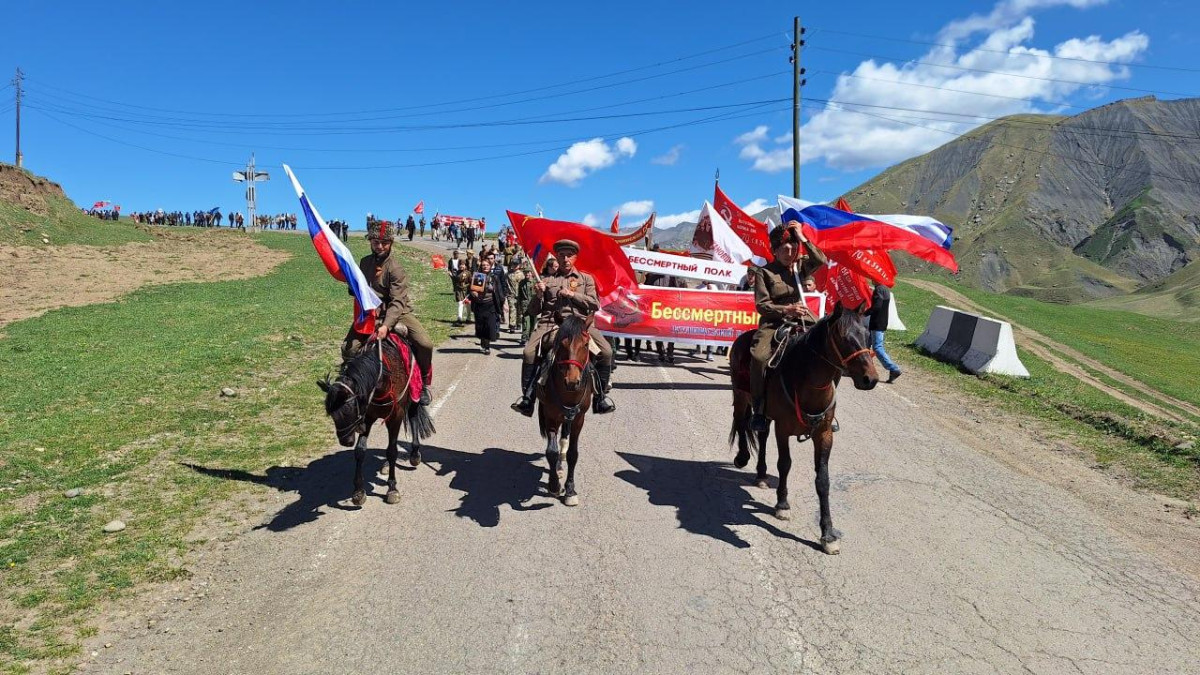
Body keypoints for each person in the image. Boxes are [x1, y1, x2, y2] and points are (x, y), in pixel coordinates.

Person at [511, 239, 616, 416]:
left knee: (606, 352)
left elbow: (595, 304)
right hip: (551, 324)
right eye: (562, 255)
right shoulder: (546, 280)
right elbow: (532, 311)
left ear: (575, 258)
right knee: (528, 352)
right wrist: (538, 295)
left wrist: (572, 295)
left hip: (580, 324)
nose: (566, 259)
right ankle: (528, 399)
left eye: (570, 255)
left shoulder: (586, 279)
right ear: (557, 257)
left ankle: (600, 398)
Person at [341, 220, 435, 405]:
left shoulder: (395, 268)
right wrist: (352, 284)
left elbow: (397, 301)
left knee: (425, 344)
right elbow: (361, 289)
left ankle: (423, 382)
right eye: (376, 242)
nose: (380, 246)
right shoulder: (364, 262)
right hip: (370, 313)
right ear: (370, 241)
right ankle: (352, 384)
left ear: (391, 243)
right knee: (348, 349)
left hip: (397, 312)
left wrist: (386, 326)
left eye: (384, 243)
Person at [748, 221, 828, 432]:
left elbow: (821, 259)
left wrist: (802, 237)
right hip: (774, 322)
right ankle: (758, 408)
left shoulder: (800, 267)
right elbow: (762, 305)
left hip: (804, 318)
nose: (789, 253)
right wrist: (787, 309)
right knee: (758, 357)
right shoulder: (764, 273)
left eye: (793, 249)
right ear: (775, 250)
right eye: (784, 249)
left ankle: (826, 407)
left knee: (829, 349)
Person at [869, 281, 902, 383]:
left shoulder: (879, 289)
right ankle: (864, 367)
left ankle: (893, 368)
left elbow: (877, 306)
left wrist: (865, 312)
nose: (871, 279)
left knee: (877, 348)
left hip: (877, 323)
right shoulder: (885, 289)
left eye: (873, 278)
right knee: (866, 344)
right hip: (882, 322)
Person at [470, 258, 504, 354]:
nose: (485, 267)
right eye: (483, 265)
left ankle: (487, 346)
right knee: (481, 326)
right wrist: (473, 293)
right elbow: (472, 289)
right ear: (481, 266)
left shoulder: (494, 277)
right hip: (480, 305)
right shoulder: (478, 276)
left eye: (487, 265)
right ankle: (482, 344)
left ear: (490, 266)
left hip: (491, 305)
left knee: (489, 326)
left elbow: (499, 291)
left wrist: (502, 304)